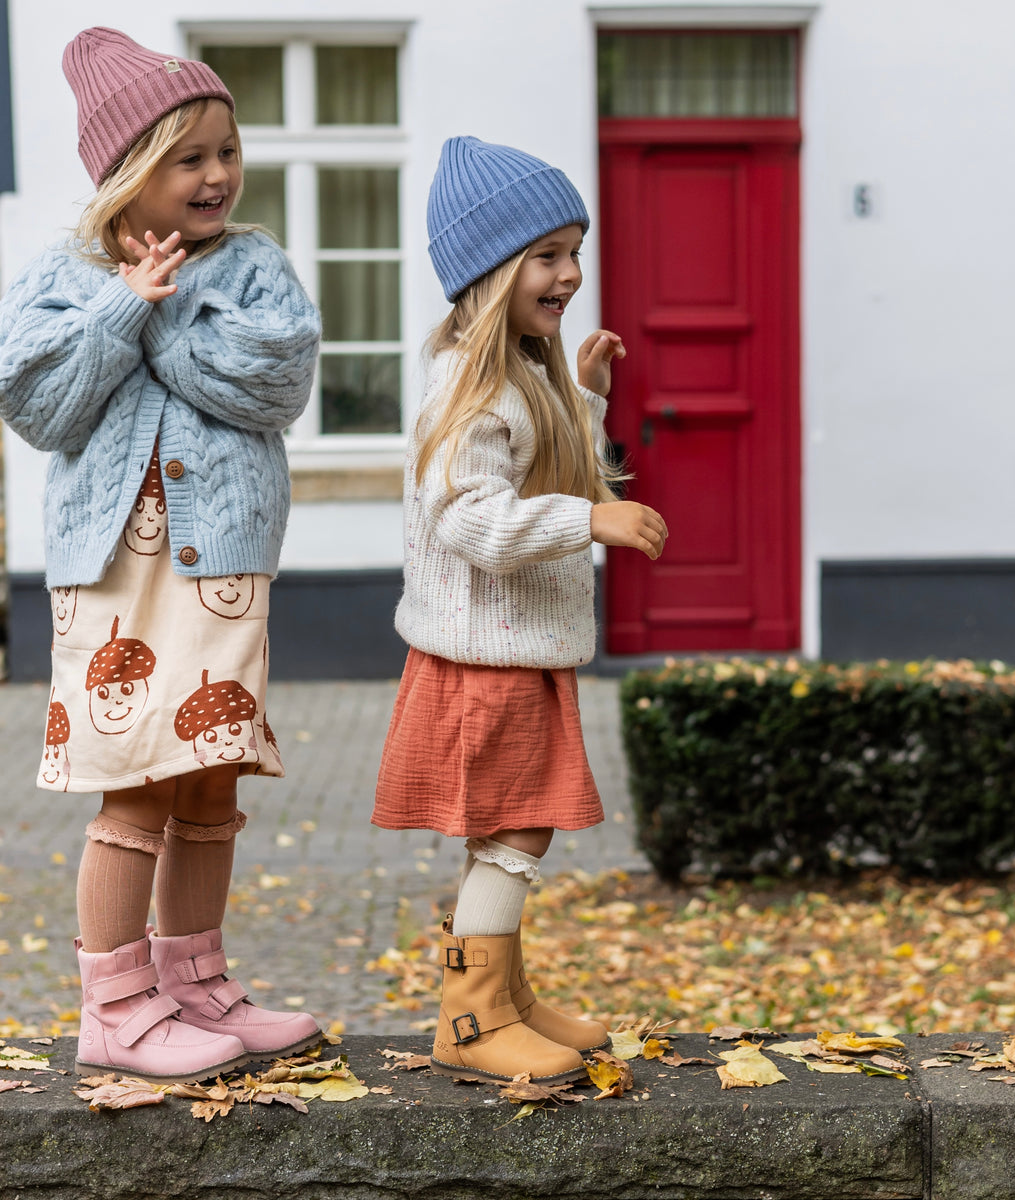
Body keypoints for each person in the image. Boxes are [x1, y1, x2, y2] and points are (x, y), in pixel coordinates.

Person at [0, 28, 323, 1084]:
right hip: (114, 579)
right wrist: (116, 307)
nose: (219, 174)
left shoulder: (259, 268)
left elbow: (269, 387)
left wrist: (169, 307)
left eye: (228, 150)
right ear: (129, 171)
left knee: (211, 777)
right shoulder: (65, 274)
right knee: (135, 779)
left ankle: (194, 983)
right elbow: (40, 404)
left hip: (220, 566)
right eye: (191, 157)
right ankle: (115, 1004)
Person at [372, 136, 668, 1084]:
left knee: (513, 824)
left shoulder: (522, 373)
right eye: (547, 256)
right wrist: (593, 518)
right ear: (490, 272)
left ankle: (503, 999)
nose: (571, 274)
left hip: (513, 651)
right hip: (481, 660)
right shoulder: (472, 387)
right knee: (513, 829)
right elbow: (474, 519)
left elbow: (539, 452)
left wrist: (585, 395)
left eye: (575, 252)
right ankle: (469, 1022)